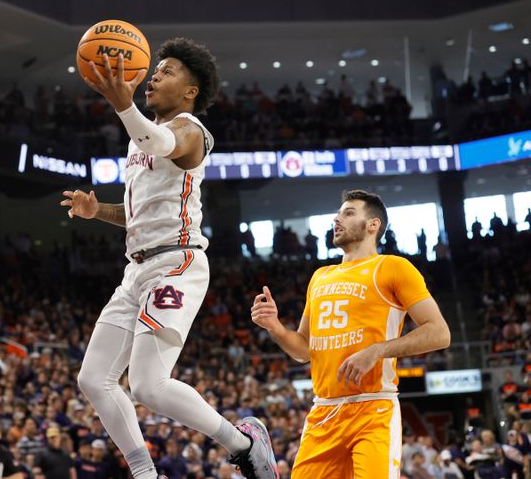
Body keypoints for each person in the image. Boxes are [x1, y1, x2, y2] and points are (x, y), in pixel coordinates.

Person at [63, 40, 277, 479]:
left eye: (168, 70)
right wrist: (96, 210)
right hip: (137, 268)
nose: (155, 75)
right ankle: (145, 473)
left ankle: (245, 444)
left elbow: (161, 141)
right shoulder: (139, 141)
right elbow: (140, 216)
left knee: (146, 385)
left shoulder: (191, 131)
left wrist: (124, 108)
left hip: (177, 264)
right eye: (155, 69)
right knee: (93, 378)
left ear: (190, 91)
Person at [251, 189, 451, 478]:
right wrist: (276, 328)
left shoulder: (393, 267)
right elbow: (303, 351)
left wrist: (377, 350)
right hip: (324, 411)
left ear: (373, 225)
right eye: (338, 212)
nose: (337, 218)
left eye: (348, 212)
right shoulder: (320, 276)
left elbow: (439, 332)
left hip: (373, 407)